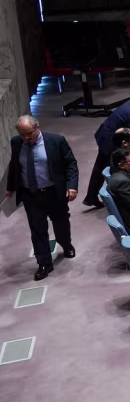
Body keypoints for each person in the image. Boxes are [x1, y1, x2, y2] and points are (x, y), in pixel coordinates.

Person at [5, 115, 78, 281]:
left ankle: (65, 244)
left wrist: (72, 186)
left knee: (61, 223)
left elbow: (71, 164)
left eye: (29, 133)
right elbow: (14, 165)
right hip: (31, 195)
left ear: (37, 127)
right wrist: (10, 187)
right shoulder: (17, 143)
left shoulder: (56, 141)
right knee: (37, 230)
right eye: (22, 134)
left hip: (54, 192)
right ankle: (44, 263)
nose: (26, 138)